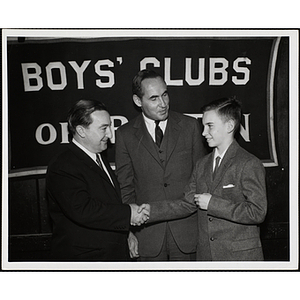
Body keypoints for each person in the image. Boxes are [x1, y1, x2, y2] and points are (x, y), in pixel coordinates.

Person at [149, 97, 268, 261]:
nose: (204, 132)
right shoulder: (202, 164)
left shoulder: (248, 163)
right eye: (203, 126)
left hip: (240, 258)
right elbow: (187, 202)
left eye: (209, 126)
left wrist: (213, 204)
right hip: (207, 257)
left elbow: (257, 212)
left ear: (229, 126)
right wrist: (147, 211)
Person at [115, 69, 205, 261]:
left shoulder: (190, 126)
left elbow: (201, 181)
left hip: (188, 235)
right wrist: (129, 232)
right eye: (154, 98)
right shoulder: (125, 134)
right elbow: (125, 188)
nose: (163, 104)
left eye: (165, 95)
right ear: (138, 101)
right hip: (147, 237)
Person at [46, 99, 150, 261]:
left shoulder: (99, 157)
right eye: (104, 128)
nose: (110, 134)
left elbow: (108, 204)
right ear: (81, 131)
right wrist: (129, 214)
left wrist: (126, 234)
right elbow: (83, 210)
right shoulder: (63, 164)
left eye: (110, 126)